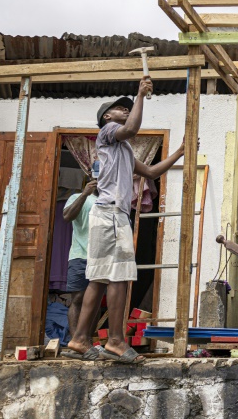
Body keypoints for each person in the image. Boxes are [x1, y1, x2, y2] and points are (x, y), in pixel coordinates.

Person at [65, 78, 189, 363]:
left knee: (98, 278)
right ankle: (116, 341)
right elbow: (132, 127)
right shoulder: (108, 132)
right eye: (120, 108)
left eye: (127, 107)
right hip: (111, 214)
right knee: (119, 277)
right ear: (107, 117)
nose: (125, 110)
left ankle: (81, 339)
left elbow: (152, 172)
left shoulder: (124, 150)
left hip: (109, 214)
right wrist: (140, 95)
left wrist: (179, 153)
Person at [63, 177, 99, 343]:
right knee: (77, 299)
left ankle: (87, 341)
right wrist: (85, 194)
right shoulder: (76, 197)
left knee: (95, 300)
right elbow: (67, 216)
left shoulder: (107, 200)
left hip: (100, 257)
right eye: (94, 178)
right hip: (79, 255)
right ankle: (74, 341)